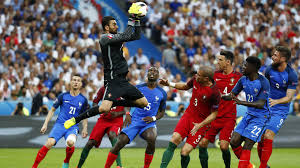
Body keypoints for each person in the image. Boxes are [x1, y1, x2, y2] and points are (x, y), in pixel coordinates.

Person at [64, 3, 148, 129]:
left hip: (123, 81)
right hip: (113, 80)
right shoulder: (104, 38)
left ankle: (114, 101)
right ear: (107, 28)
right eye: (114, 24)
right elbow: (126, 35)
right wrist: (131, 17)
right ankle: (76, 119)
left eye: (116, 23)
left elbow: (136, 35)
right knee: (104, 108)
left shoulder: (116, 38)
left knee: (143, 103)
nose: (117, 25)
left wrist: (137, 19)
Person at [104, 67, 167, 168]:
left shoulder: (162, 93)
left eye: (155, 71)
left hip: (148, 123)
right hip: (134, 120)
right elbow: (126, 102)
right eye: (150, 70)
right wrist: (128, 113)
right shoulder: (138, 88)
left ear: (158, 76)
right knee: (119, 143)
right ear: (147, 74)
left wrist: (154, 118)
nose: (152, 72)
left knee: (152, 138)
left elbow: (162, 112)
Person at [159, 66, 220, 168]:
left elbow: (215, 113)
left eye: (199, 75)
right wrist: (170, 84)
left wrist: (200, 125)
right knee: (174, 139)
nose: (196, 76)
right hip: (188, 116)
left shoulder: (214, 92)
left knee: (184, 152)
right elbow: (185, 86)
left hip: (200, 123)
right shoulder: (196, 79)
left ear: (206, 79)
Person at [222, 56, 271, 168]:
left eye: (245, 65)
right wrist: (220, 96)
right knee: (234, 142)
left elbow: (260, 104)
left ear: (253, 67)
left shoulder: (263, 82)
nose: (242, 67)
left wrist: (242, 102)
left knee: (247, 145)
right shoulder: (243, 79)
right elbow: (232, 95)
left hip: (261, 117)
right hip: (249, 115)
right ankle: (248, 166)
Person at [32, 74, 88, 168]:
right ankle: (34, 166)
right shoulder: (63, 96)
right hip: (60, 125)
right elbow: (52, 110)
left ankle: (66, 161)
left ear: (81, 84)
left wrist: (85, 128)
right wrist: (45, 124)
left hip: (72, 127)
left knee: (70, 143)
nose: (75, 82)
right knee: (49, 143)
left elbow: (85, 115)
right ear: (70, 82)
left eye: (78, 80)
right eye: (74, 80)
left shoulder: (83, 100)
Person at [198, 50, 242, 168]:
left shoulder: (239, 77)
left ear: (228, 62)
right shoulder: (215, 75)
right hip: (214, 117)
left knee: (223, 146)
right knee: (202, 144)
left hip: (229, 117)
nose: (217, 62)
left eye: (220, 60)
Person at [258, 46, 298, 168]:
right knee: (261, 139)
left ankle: (263, 166)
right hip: (267, 107)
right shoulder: (269, 69)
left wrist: (275, 101)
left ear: (283, 58)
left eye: (275, 55)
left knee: (269, 135)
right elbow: (265, 87)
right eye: (273, 55)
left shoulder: (292, 75)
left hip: (280, 109)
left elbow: (289, 97)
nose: (272, 57)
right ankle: (265, 166)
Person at [77, 86, 125, 168]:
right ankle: (78, 166)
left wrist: (117, 114)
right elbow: (95, 102)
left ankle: (119, 166)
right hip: (103, 119)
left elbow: (128, 107)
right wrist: (100, 110)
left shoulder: (123, 88)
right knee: (90, 143)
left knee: (112, 135)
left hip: (116, 120)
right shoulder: (103, 89)